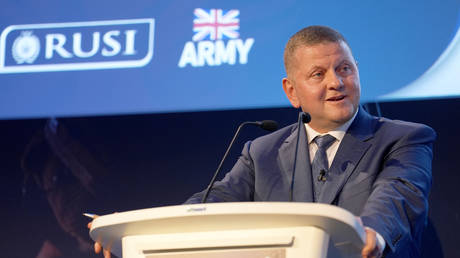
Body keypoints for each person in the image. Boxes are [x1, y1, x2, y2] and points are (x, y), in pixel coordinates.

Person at [91, 25, 436, 258]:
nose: (336, 82)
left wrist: (372, 233)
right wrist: (137, 229)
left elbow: (399, 195)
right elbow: (209, 205)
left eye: (344, 69)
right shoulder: (262, 151)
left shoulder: (404, 138)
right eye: (319, 74)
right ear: (292, 91)